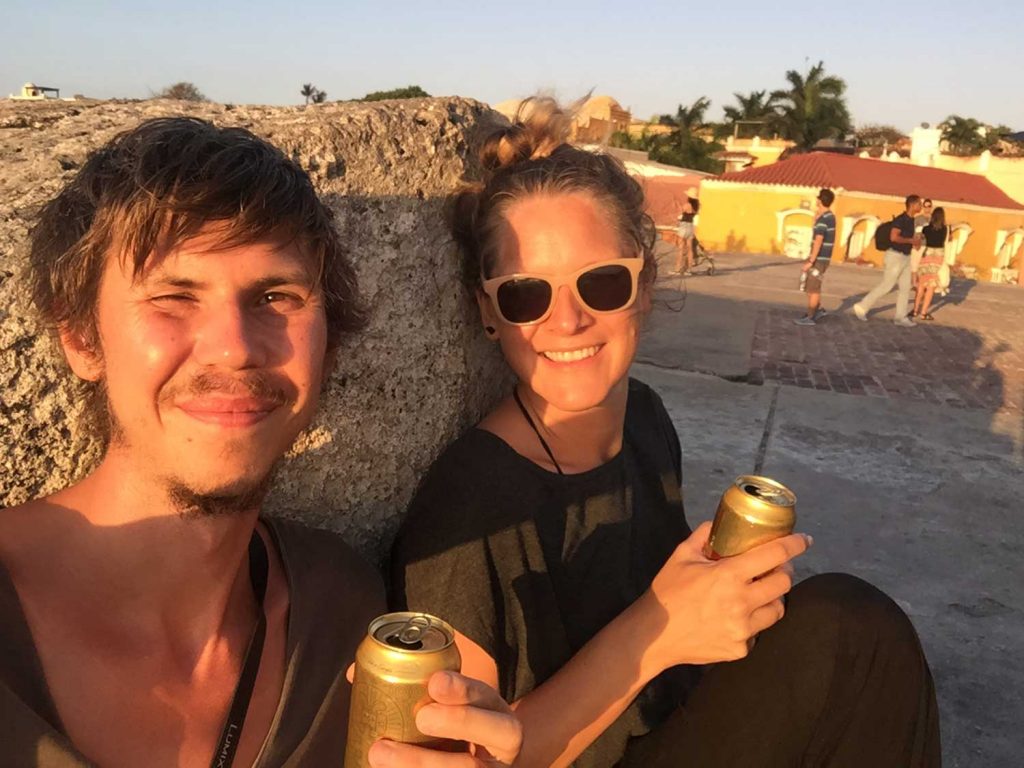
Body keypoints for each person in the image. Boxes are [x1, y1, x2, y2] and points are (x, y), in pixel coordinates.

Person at [392, 99, 941, 768]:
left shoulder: (645, 419)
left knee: (855, 635)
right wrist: (660, 628)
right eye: (526, 294)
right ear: (488, 311)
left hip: (671, 724)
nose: (566, 321)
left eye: (601, 284)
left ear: (644, 287)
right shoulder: (470, 505)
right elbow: (467, 753)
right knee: (850, 626)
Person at [1, 118, 522, 768]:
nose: (236, 348)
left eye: (276, 296)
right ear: (81, 338)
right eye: (173, 296)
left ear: (328, 343)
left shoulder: (339, 608)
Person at [854, 195, 924, 327]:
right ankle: (862, 306)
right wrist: (910, 240)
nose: (921, 206)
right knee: (887, 285)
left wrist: (915, 242)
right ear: (912, 205)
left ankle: (900, 317)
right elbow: (893, 237)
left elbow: (909, 239)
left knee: (905, 288)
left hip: (906, 256)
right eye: (919, 204)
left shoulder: (912, 221)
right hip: (895, 256)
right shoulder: (900, 220)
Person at [794, 188, 836, 326]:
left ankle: (811, 317)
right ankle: (817, 310)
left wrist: (811, 261)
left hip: (819, 259)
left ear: (820, 200)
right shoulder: (829, 217)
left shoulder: (824, 219)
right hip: (821, 258)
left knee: (813, 288)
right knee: (809, 286)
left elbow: (818, 240)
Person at [913, 206, 950, 321]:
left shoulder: (926, 229)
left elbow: (920, 238)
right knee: (931, 287)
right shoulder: (946, 229)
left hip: (926, 256)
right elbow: (947, 241)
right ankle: (923, 313)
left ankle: (915, 310)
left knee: (921, 285)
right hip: (938, 259)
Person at [673, 196, 698, 275]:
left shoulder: (687, 205)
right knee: (690, 250)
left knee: (680, 249)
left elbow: (680, 213)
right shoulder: (696, 207)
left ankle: (677, 269)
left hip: (683, 227)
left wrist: (678, 205)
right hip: (690, 227)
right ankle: (689, 270)